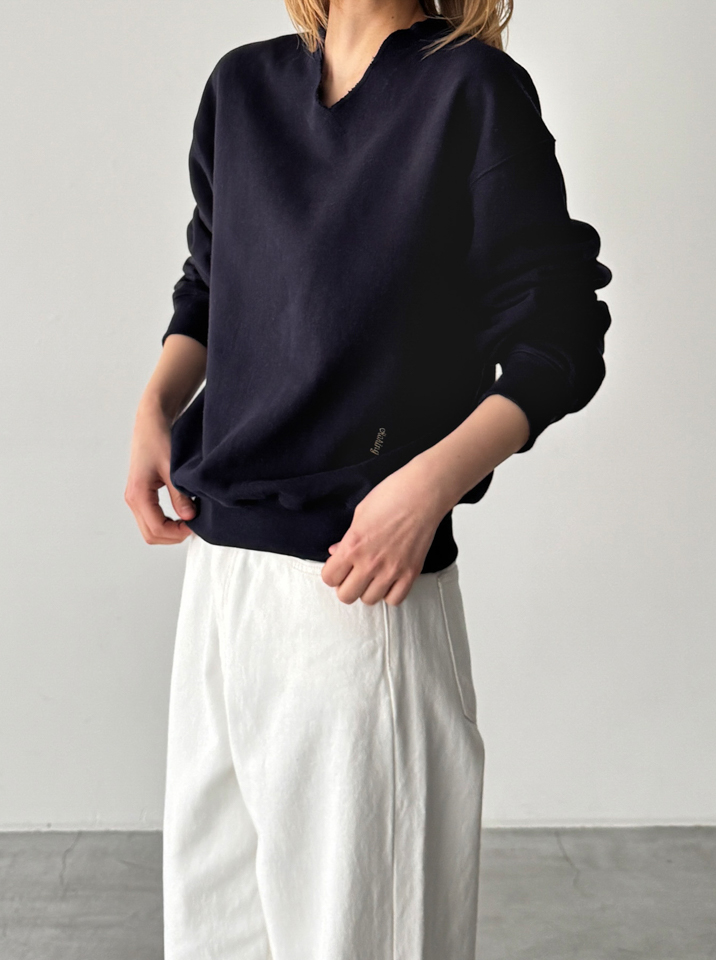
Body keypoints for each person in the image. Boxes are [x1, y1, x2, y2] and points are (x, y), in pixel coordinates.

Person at [125, 0, 612, 957]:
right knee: (215, 934)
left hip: (360, 591)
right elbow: (212, 281)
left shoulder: (470, 90)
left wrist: (427, 487)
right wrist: (156, 405)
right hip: (221, 582)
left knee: (362, 938)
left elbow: (560, 333)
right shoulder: (242, 86)